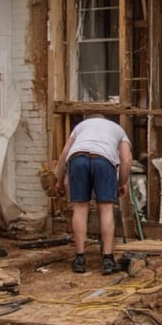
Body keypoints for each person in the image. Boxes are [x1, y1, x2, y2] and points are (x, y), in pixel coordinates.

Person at [54, 113, 133, 275]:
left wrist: (59, 180)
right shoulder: (118, 129)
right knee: (105, 209)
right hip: (103, 161)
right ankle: (108, 259)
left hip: (77, 159)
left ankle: (80, 259)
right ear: (105, 120)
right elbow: (126, 160)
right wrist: (122, 182)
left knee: (80, 208)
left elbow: (63, 156)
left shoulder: (80, 127)